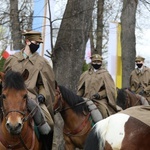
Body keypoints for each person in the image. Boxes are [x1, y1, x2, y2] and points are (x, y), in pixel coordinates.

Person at [3, 30, 55, 150]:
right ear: (27, 41)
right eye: (35, 42)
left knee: (49, 123)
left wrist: (42, 95)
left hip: (31, 98)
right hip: (10, 97)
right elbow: (4, 79)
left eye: (39, 43)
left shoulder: (42, 62)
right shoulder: (12, 59)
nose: (37, 45)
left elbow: (43, 85)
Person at [77, 54, 118, 118]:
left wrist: (99, 94)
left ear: (101, 63)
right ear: (91, 62)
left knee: (104, 112)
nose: (96, 63)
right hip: (86, 98)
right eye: (94, 62)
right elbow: (81, 88)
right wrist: (77, 98)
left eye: (98, 62)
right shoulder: (85, 74)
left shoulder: (105, 74)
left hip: (99, 100)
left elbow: (109, 90)